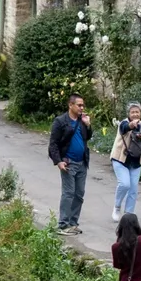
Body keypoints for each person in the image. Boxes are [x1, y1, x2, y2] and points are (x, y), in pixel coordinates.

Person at [48, 94, 92, 236]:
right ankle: (63, 224)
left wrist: (88, 125)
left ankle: (73, 223)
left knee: (79, 194)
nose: (82, 108)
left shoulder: (82, 121)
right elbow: (53, 144)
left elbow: (88, 137)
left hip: (82, 162)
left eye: (83, 105)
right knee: (68, 193)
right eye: (79, 105)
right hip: (68, 163)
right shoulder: (60, 121)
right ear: (70, 105)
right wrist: (58, 161)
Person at [110, 102, 141, 221]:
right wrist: (132, 125)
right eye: (133, 112)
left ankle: (128, 214)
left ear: (140, 113)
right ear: (129, 114)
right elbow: (125, 128)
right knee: (125, 184)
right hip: (120, 159)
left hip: (136, 160)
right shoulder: (124, 123)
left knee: (133, 189)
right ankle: (117, 207)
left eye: (137, 112)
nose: (135, 114)